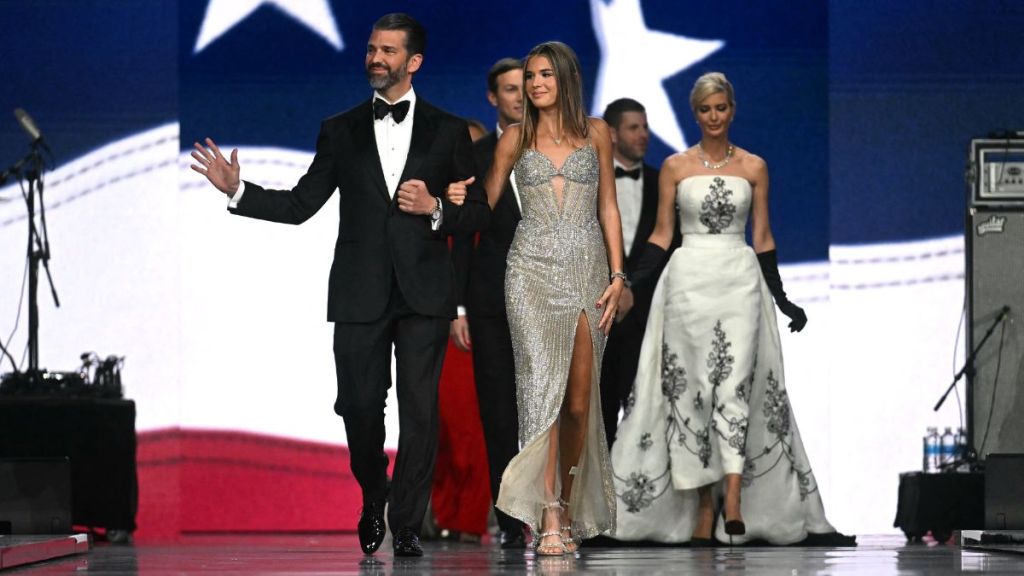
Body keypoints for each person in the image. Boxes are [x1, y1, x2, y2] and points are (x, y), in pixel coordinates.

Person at [189, 13, 489, 557]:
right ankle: (375, 493)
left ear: (413, 62)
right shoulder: (340, 128)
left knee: (421, 410)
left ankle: (406, 523)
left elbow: (478, 214)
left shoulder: (448, 131)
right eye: (372, 49)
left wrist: (436, 208)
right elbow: (302, 204)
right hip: (359, 289)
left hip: (425, 291)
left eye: (388, 51)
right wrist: (239, 191)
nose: (375, 58)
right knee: (357, 404)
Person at [610, 72, 845, 546]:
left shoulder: (755, 167)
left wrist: (781, 297)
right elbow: (660, 235)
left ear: (732, 110)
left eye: (721, 108)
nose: (713, 117)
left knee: (735, 386)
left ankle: (733, 502)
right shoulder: (675, 167)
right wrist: (628, 283)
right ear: (694, 114)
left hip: (739, 281)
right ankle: (702, 507)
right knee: (692, 391)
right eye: (704, 110)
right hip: (687, 284)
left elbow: (763, 237)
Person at [448, 41, 624, 556]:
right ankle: (547, 514)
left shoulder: (596, 133)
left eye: (544, 75)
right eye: (529, 77)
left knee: (577, 402)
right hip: (528, 273)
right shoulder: (513, 139)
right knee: (540, 394)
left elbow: (609, 206)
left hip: (589, 272)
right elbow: (484, 207)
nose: (534, 85)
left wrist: (619, 275)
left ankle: (566, 504)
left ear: (565, 77)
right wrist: (456, 201)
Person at [448, 57, 529, 548]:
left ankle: (557, 509)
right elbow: (459, 239)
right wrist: (457, 309)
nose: (521, 95)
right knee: (499, 408)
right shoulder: (473, 158)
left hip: (552, 297)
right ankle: (510, 516)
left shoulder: (559, 148)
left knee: (550, 406)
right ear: (492, 98)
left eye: (527, 86)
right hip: (490, 298)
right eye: (510, 89)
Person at [598, 98, 681, 449]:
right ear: (613, 134)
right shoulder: (589, 183)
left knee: (645, 412)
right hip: (599, 311)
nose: (644, 134)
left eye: (645, 126)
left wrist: (633, 289)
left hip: (647, 316)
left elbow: (672, 247)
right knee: (597, 414)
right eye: (634, 127)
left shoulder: (663, 182)